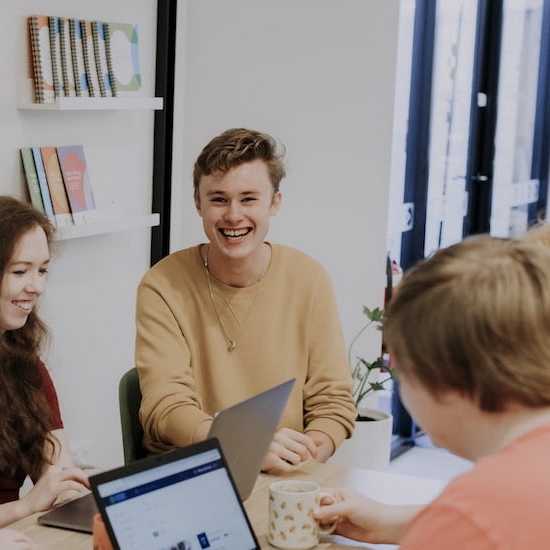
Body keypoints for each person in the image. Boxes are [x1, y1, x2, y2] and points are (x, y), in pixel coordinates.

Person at [136, 128, 356, 473]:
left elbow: (332, 402)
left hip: (287, 473)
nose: (234, 215)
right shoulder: (163, 284)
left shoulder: (308, 279)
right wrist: (241, 446)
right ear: (198, 203)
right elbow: (165, 407)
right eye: (219, 199)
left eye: (249, 199)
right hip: (197, 471)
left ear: (275, 202)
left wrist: (304, 455)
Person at [315, 235, 550, 549]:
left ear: (442, 375)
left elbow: (478, 523)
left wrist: (443, 525)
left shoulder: (472, 516)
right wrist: (397, 521)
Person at [0, 196, 88, 528]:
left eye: (43, 270)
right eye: (20, 271)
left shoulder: (24, 364)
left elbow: (57, 469)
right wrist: (24, 507)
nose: (36, 287)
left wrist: (68, 490)